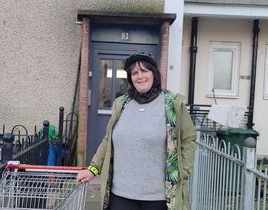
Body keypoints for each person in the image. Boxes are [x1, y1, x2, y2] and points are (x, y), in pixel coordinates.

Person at [76, 51, 197, 210]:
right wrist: (92, 169)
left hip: (158, 198)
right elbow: (107, 140)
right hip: (120, 196)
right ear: (130, 78)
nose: (139, 76)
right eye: (134, 73)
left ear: (154, 74)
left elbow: (189, 139)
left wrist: (183, 172)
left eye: (144, 71)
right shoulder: (122, 104)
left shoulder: (172, 105)